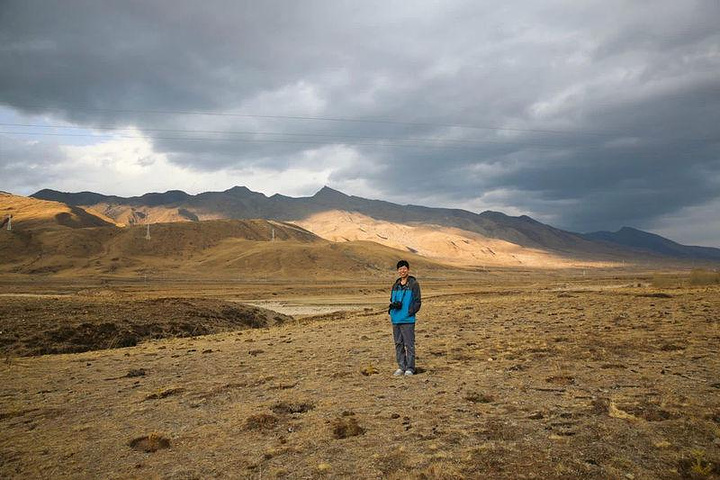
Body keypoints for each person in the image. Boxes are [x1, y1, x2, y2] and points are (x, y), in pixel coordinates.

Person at [388, 259, 421, 376]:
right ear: (398, 271)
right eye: (400, 269)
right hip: (396, 319)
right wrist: (392, 311)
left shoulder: (414, 284)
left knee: (409, 344)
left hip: (407, 319)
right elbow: (392, 300)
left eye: (404, 268)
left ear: (408, 270)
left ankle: (410, 368)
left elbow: (417, 302)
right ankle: (401, 367)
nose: (402, 271)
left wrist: (410, 312)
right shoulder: (395, 285)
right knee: (398, 344)